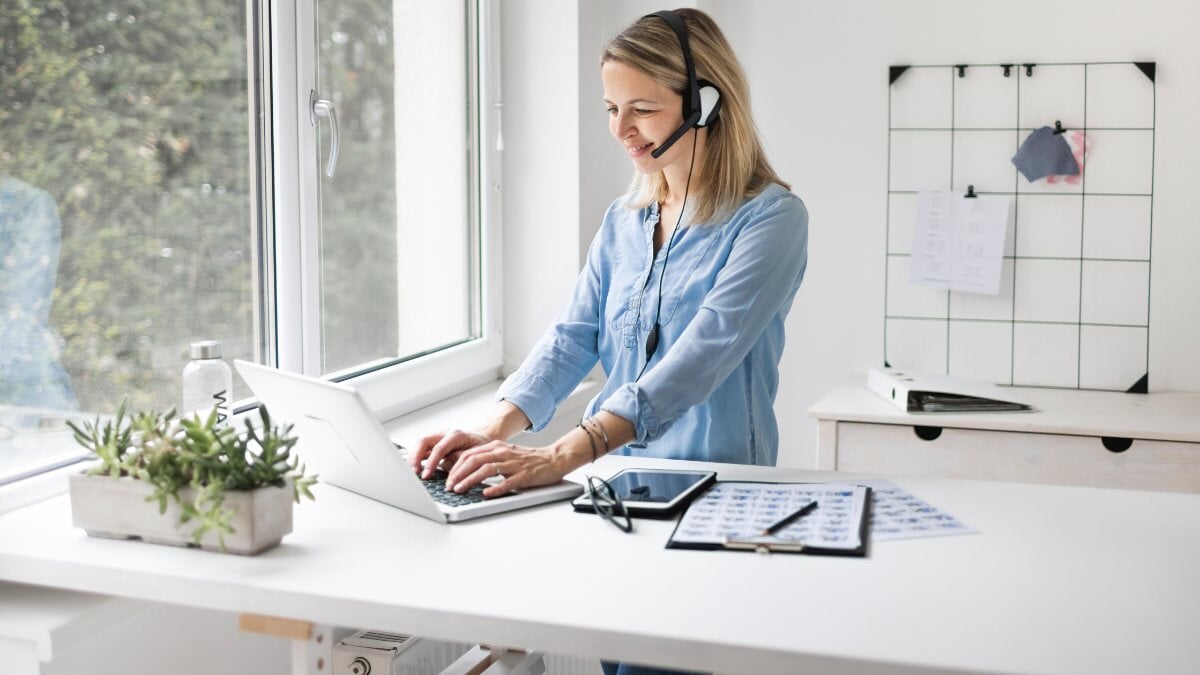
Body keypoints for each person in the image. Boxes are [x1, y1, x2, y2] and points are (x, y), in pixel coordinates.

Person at [410, 8, 806, 674]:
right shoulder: (624, 221)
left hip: (714, 513)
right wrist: (492, 428)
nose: (620, 129)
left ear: (706, 102)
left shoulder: (772, 219)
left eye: (642, 109)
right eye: (610, 108)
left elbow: (701, 355)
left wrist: (564, 452)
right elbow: (573, 336)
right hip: (616, 503)